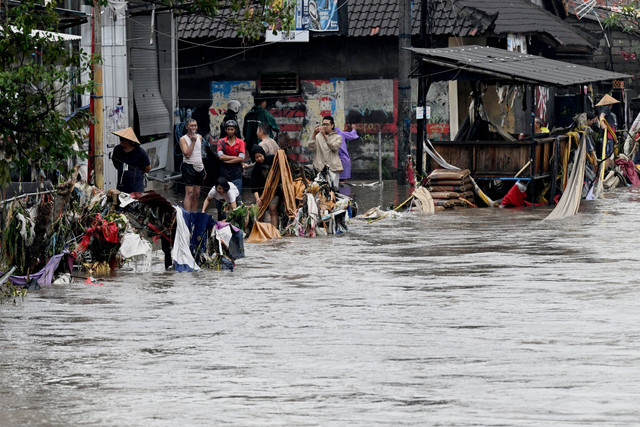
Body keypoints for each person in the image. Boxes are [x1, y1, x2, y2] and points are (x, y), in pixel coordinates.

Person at [111, 127, 151, 193]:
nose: (121, 141)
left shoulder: (140, 152)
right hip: (121, 185)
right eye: (120, 139)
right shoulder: (117, 149)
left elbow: (148, 168)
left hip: (136, 187)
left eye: (123, 139)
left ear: (129, 141)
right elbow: (115, 163)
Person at [308, 115, 343, 188]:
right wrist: (314, 134)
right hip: (319, 169)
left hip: (333, 169)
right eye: (323, 124)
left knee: (333, 192)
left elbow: (334, 147)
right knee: (319, 192)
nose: (324, 126)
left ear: (332, 125)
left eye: (327, 124)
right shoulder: (317, 137)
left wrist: (325, 136)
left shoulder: (338, 137)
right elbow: (311, 148)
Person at [179, 118, 206, 212]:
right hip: (189, 166)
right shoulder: (183, 139)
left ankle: (194, 213)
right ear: (187, 127)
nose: (193, 127)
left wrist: (203, 168)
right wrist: (193, 142)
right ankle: (187, 214)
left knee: (197, 193)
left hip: (199, 167)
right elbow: (187, 154)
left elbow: (199, 153)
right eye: (191, 125)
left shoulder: (200, 137)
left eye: (195, 125)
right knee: (189, 193)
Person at [250, 145, 279, 229]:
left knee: (273, 209)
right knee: (261, 212)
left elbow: (281, 159)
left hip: (274, 191)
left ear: (263, 154)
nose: (259, 159)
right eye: (256, 157)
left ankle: (274, 230)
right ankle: (261, 231)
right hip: (261, 194)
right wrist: (257, 199)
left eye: (260, 156)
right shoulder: (255, 170)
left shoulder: (271, 159)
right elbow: (253, 186)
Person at [217, 119, 246, 196]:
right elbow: (221, 157)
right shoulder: (221, 141)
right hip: (224, 174)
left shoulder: (240, 142)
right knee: (224, 197)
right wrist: (235, 158)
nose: (230, 131)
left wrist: (228, 161)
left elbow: (241, 158)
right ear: (226, 130)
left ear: (235, 130)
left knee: (237, 196)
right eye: (228, 129)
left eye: (232, 129)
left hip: (237, 173)